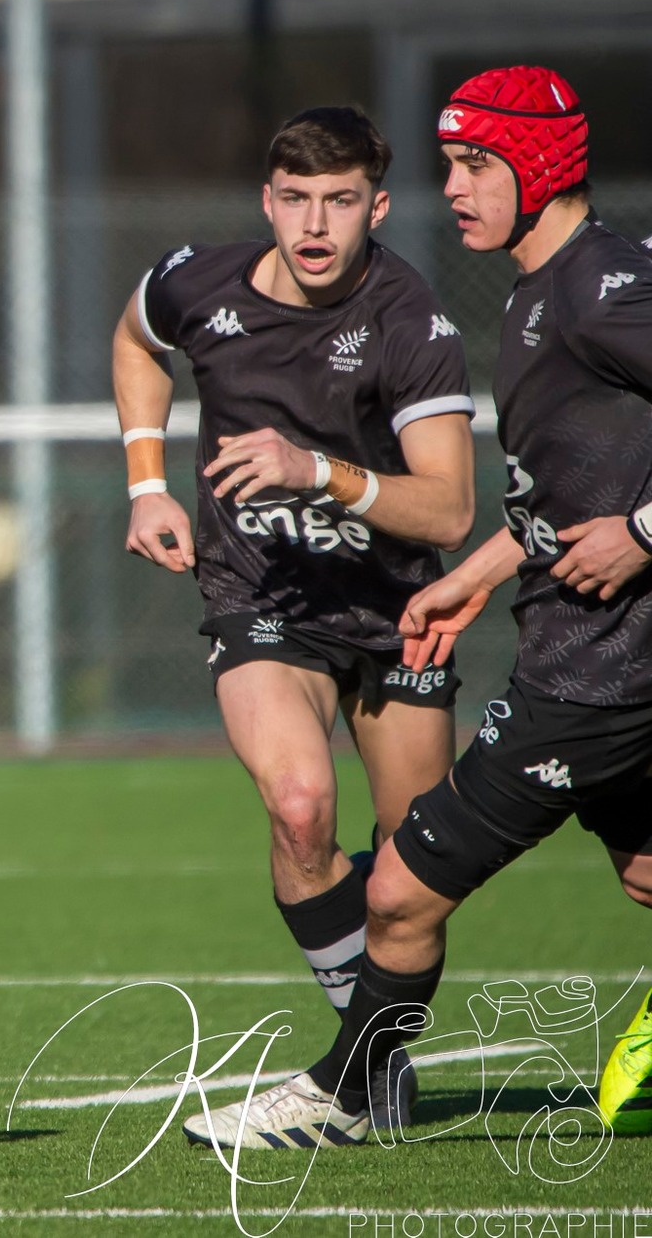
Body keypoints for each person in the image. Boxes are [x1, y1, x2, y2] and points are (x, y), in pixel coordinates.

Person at [184, 67, 652, 1150]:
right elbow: (567, 488)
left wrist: (639, 534)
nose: (451, 189)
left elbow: (620, 514)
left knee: (394, 893)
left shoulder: (598, 288)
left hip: (595, 676)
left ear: (535, 168)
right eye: (449, 164)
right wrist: (479, 570)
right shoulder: (545, 288)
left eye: (473, 165)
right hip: (591, 651)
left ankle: (340, 1094)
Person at [112, 106, 475, 1130]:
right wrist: (146, 478)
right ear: (267, 199)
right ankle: (367, 1077)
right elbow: (136, 334)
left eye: (341, 200)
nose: (315, 224)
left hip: (396, 609)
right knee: (300, 803)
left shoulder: (411, 323)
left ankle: (359, 1070)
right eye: (296, 199)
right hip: (260, 596)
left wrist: (311, 470)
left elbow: (447, 506)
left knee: (414, 869)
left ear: (378, 205)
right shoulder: (199, 281)